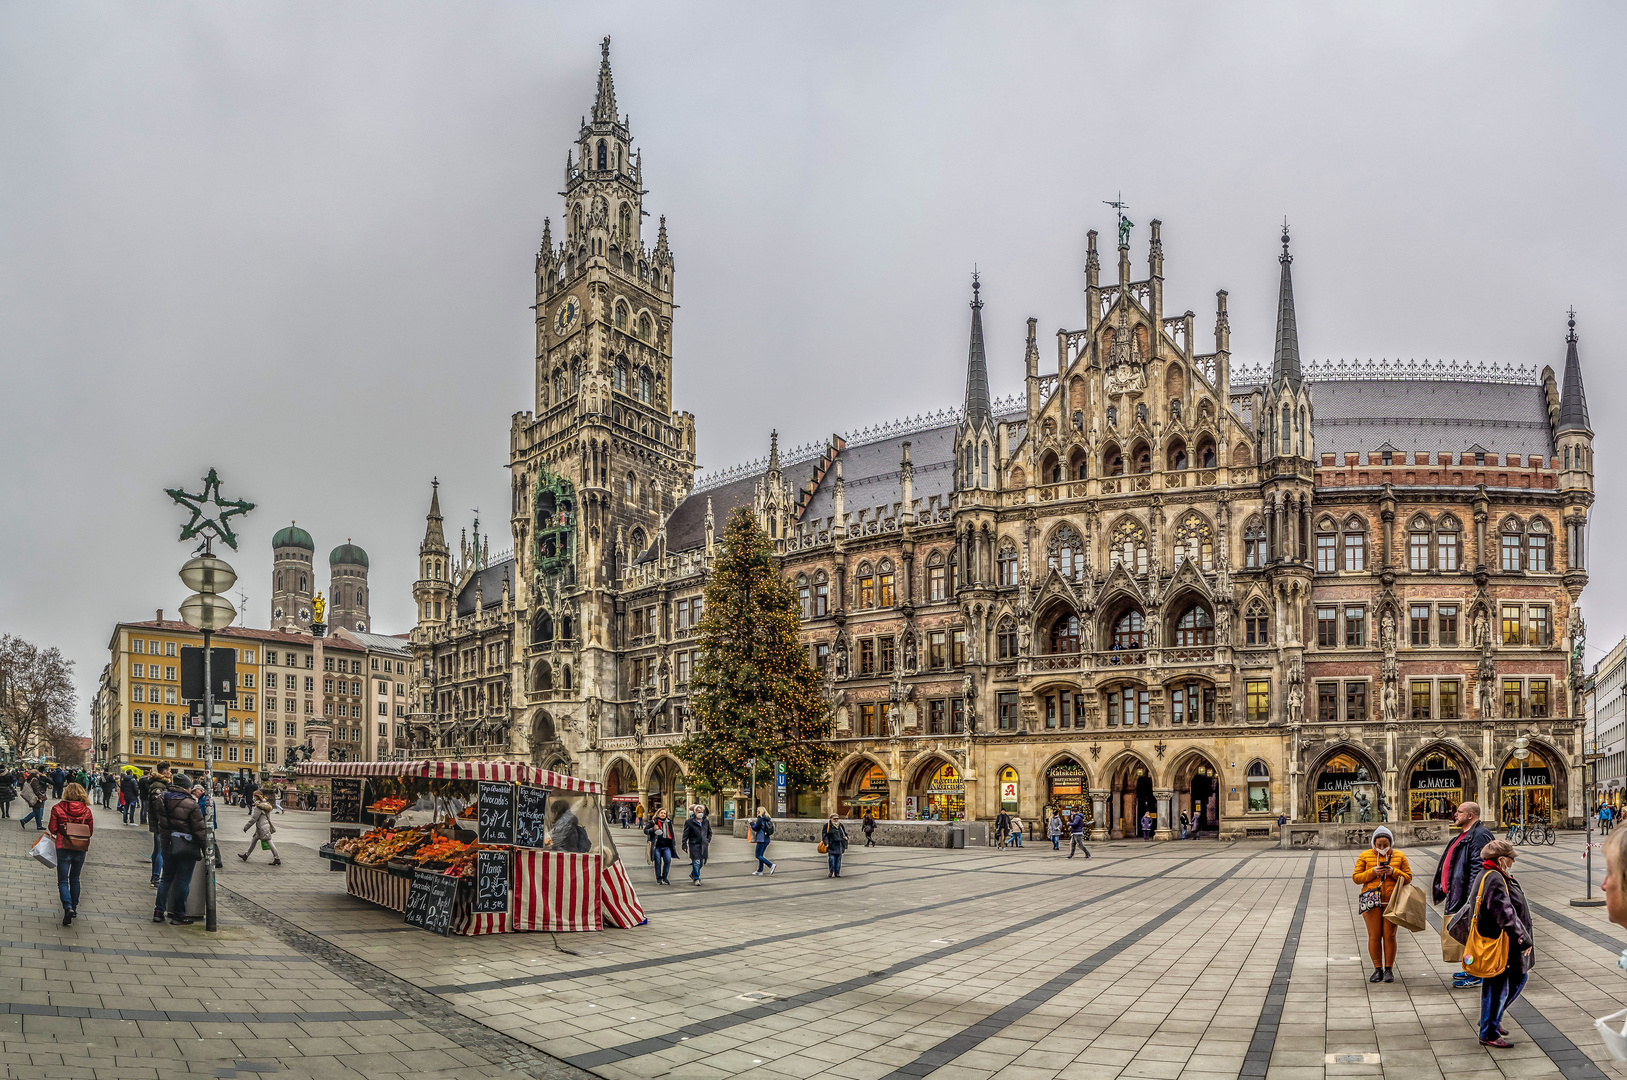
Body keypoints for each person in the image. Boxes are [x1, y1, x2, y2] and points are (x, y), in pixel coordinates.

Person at [1448, 839, 1531, 1047]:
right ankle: (1489, 1032)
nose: (1512, 862)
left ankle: (1490, 1021)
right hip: (1501, 942)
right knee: (1502, 984)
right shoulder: (1494, 877)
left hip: (1499, 939)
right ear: (1501, 859)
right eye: (1511, 859)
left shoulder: (1490, 874)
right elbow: (1505, 913)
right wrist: (1522, 938)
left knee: (1502, 983)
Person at [1432, 800, 1496, 990]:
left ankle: (1476, 974)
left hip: (1467, 898)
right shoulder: (1465, 835)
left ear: (1470, 815)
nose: (1455, 814)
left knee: (1474, 936)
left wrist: (1472, 899)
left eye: (1459, 812)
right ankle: (1470, 968)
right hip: (1458, 894)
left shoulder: (1479, 835)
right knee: (1467, 937)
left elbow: (1479, 869)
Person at [1353, 825, 1412, 983]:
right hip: (1371, 901)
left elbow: (1408, 877)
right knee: (1374, 936)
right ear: (1373, 843)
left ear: (1390, 843)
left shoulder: (1399, 856)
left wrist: (1393, 872)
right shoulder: (1365, 855)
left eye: (1385, 845)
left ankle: (1388, 969)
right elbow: (1356, 877)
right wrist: (1373, 872)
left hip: (1392, 901)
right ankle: (1377, 968)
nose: (1382, 848)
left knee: (1390, 936)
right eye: (1378, 845)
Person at [152, 772, 207, 925]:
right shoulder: (191, 804)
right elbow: (199, 830)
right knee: (183, 881)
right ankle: (178, 915)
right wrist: (206, 849)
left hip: (167, 843)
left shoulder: (162, 799)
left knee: (166, 879)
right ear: (186, 788)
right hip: (185, 846)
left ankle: (158, 912)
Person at [49, 781, 94, 925]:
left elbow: (52, 829)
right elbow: (90, 831)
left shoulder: (57, 808)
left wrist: (65, 829)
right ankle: (74, 907)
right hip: (80, 847)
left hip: (63, 845)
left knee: (63, 880)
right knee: (75, 879)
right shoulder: (87, 811)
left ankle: (67, 906)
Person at [140, 763, 174, 886]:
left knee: (157, 850)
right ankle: (155, 877)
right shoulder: (159, 786)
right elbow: (157, 806)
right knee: (160, 851)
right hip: (161, 823)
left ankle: (155, 876)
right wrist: (163, 821)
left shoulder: (160, 784)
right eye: (169, 770)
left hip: (159, 822)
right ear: (164, 771)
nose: (170, 772)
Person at [238, 789, 281, 865]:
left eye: (254, 796)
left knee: (269, 842)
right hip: (262, 826)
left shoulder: (259, 807)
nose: (253, 798)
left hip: (262, 828)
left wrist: (246, 827)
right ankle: (246, 855)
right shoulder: (265, 804)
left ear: (257, 797)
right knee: (254, 840)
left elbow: (254, 818)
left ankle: (277, 858)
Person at [193, 784, 223, 869]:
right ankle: (215, 859)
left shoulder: (204, 800)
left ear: (201, 790)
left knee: (211, 841)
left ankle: (216, 860)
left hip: (207, 824)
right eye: (194, 792)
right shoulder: (203, 799)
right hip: (208, 824)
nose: (195, 793)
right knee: (211, 841)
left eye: (196, 791)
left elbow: (201, 813)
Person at [681, 805, 712, 886]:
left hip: (704, 845)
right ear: (695, 813)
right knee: (696, 862)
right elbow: (685, 834)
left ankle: (693, 874)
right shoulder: (689, 822)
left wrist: (707, 840)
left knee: (702, 862)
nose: (700, 814)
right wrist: (684, 844)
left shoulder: (706, 821)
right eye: (699, 812)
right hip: (694, 844)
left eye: (702, 812)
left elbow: (709, 832)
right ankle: (696, 878)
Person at [644, 807, 675, 885]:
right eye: (661, 813)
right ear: (658, 814)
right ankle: (658, 878)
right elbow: (645, 831)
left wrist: (673, 843)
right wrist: (653, 829)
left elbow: (672, 833)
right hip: (656, 846)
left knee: (668, 860)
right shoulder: (653, 822)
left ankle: (665, 877)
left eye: (664, 813)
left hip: (667, 845)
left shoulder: (668, 822)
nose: (663, 814)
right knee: (657, 862)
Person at [750, 805, 777, 875]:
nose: (756, 813)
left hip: (761, 839)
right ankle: (760, 870)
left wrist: (751, 823)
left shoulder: (760, 819)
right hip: (766, 839)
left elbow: (755, 828)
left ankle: (770, 865)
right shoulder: (767, 819)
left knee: (758, 855)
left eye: (757, 811)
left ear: (760, 812)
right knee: (761, 855)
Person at [822, 814, 849, 878]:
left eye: (837, 818)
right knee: (832, 859)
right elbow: (824, 835)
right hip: (831, 845)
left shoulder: (840, 825)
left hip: (839, 845)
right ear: (831, 819)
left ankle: (837, 872)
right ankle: (831, 871)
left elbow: (844, 833)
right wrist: (826, 843)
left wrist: (846, 837)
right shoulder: (827, 825)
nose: (836, 820)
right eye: (834, 819)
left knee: (838, 860)